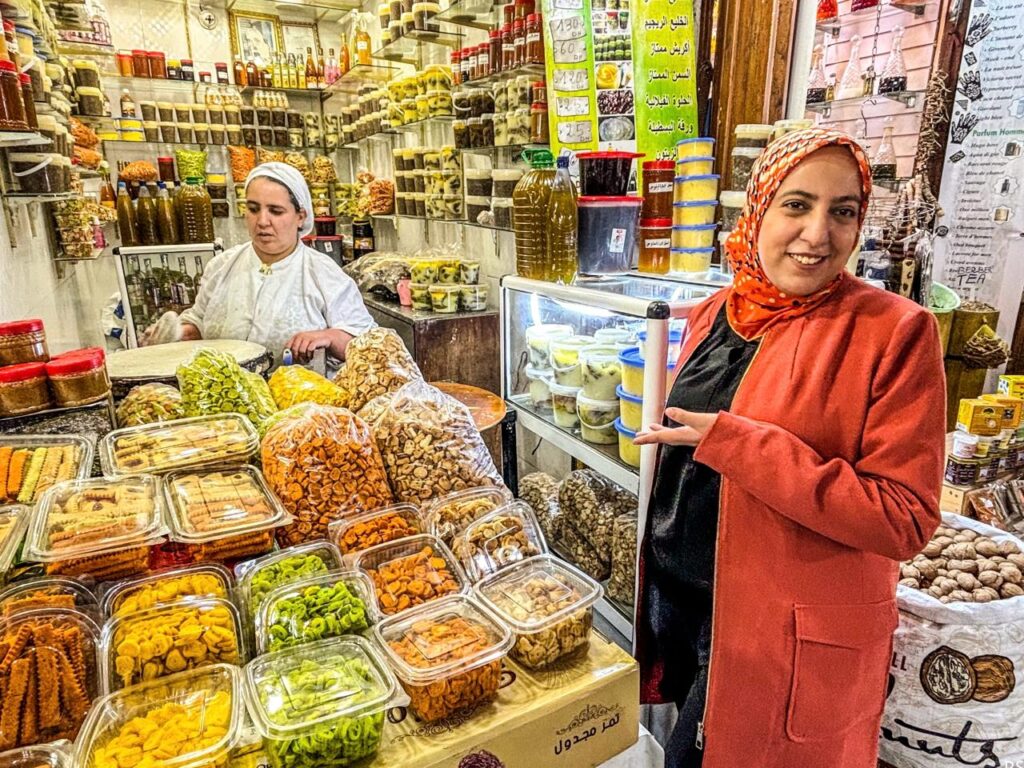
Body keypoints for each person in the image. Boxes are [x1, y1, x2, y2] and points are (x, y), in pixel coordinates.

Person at [633, 128, 946, 768]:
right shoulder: (717, 312)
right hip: (691, 610)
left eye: (843, 211)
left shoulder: (896, 333)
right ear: (760, 206)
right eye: (797, 205)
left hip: (784, 641)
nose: (817, 235)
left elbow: (904, 517)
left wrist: (741, 445)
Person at [170, 162, 375, 372]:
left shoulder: (322, 273)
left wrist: (329, 337)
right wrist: (177, 333)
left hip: (297, 399)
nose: (262, 221)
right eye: (253, 209)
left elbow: (367, 344)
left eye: (276, 211)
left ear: (300, 217)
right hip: (222, 397)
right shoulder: (222, 267)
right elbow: (198, 322)